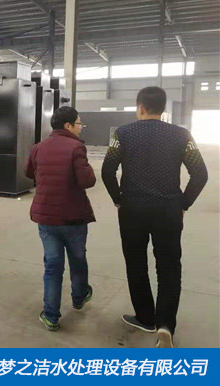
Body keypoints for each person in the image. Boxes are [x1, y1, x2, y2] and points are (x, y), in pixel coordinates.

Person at [102, 86, 208, 348]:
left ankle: (145, 317)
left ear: (140, 107)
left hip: (132, 210)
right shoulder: (182, 135)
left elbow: (107, 171)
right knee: (169, 267)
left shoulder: (122, 133)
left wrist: (118, 199)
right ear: (163, 108)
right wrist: (183, 203)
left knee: (136, 263)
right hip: (168, 211)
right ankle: (165, 325)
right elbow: (200, 174)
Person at [24, 107, 96, 331]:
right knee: (77, 259)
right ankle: (79, 297)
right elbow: (87, 181)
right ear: (68, 125)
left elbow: (28, 173)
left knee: (53, 266)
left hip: (47, 217)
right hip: (73, 217)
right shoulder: (76, 147)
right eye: (79, 123)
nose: (80, 127)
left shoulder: (38, 147)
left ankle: (51, 315)